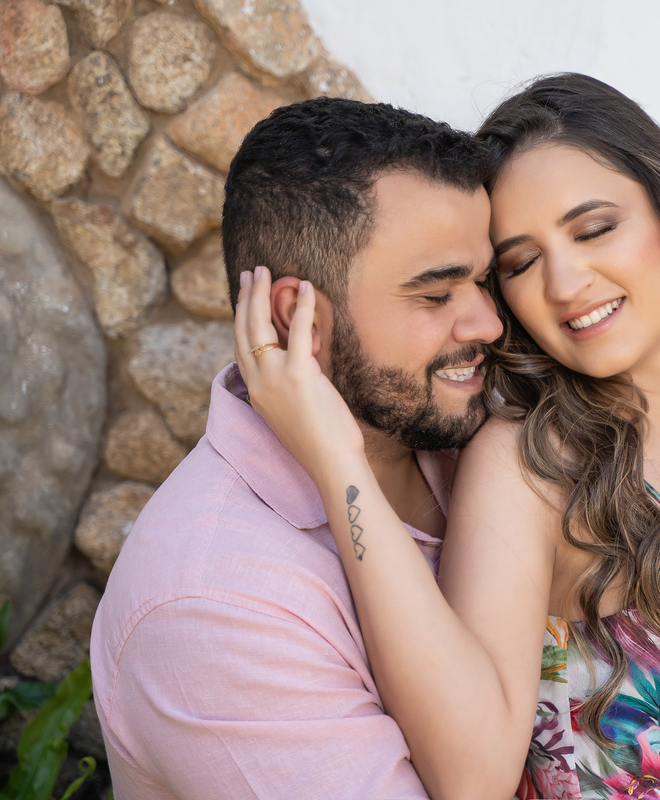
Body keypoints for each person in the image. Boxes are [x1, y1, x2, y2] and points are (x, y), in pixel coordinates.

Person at [235, 74, 660, 800]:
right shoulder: (536, 464)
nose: (564, 282)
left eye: (594, 228)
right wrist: (335, 458)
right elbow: (471, 780)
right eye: (521, 263)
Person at [89, 98, 503, 799]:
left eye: (485, 280)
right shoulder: (212, 605)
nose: (488, 323)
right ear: (295, 317)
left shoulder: (459, 433)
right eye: (436, 296)